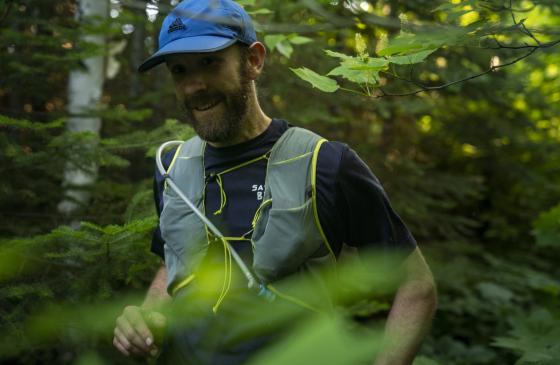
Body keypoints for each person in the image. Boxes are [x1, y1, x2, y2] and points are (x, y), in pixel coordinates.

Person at [113, 0, 437, 364]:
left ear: (253, 60)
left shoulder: (326, 165)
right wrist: (146, 317)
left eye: (209, 62)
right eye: (179, 71)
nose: (193, 86)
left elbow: (416, 286)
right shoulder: (173, 168)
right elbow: (173, 262)